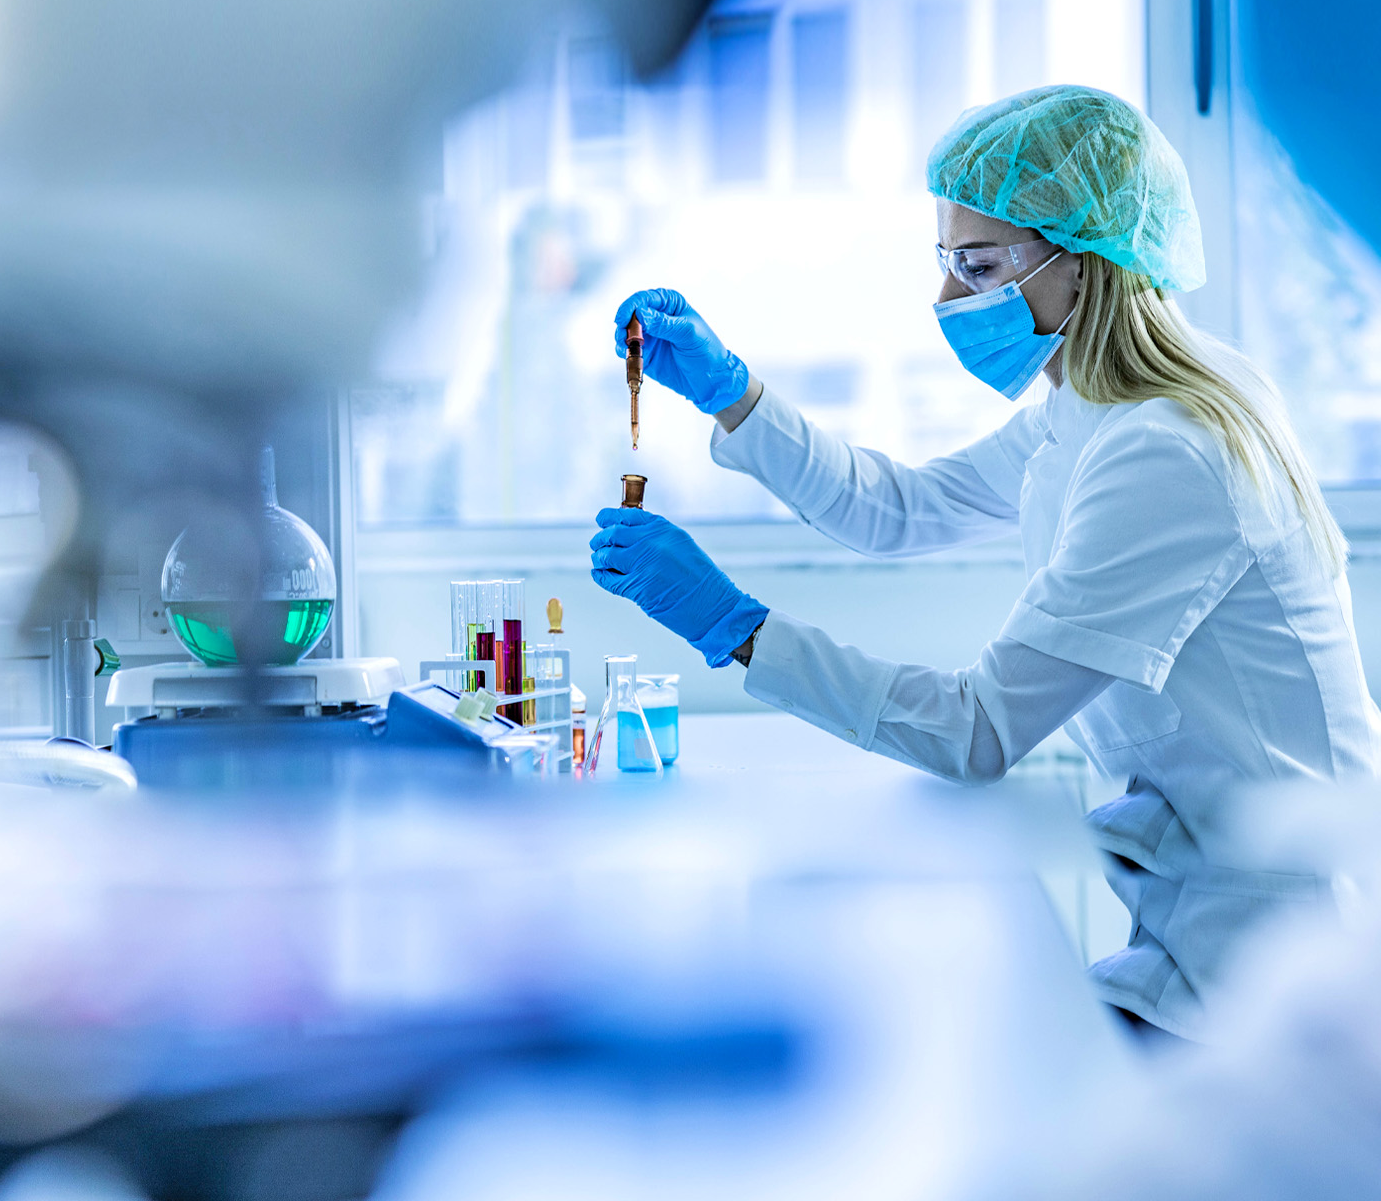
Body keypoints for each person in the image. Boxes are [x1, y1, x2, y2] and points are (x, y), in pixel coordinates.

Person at [590, 84, 1381, 1041]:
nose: (946, 300)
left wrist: (734, 627)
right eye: (945, 266)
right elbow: (899, 510)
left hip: (1277, 978)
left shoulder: (1167, 447)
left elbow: (977, 733)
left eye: (977, 268)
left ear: (1086, 262)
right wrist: (734, 394)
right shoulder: (1095, 409)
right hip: (1201, 941)